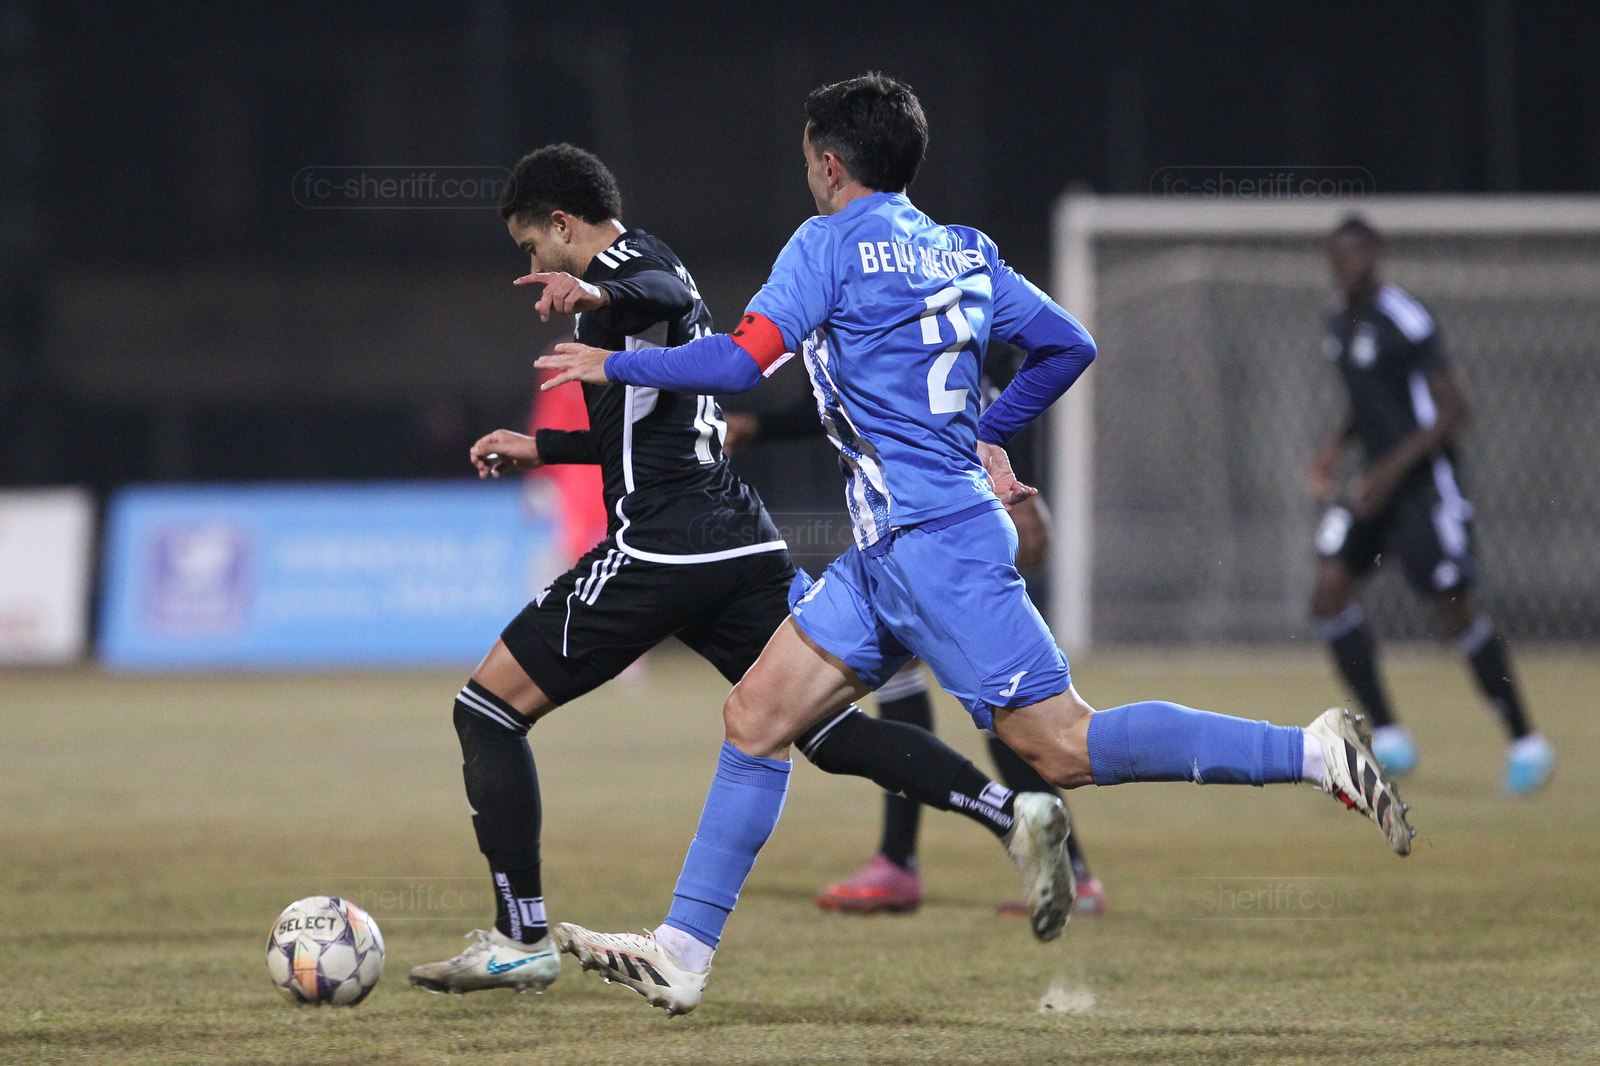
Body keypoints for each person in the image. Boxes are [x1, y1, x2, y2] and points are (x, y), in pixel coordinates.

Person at [536, 74, 1415, 1017]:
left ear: (829, 166)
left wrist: (615, 360)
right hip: (893, 550)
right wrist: (990, 432)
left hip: (936, 546)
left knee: (1061, 746)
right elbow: (1068, 344)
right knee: (756, 717)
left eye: (807, 161)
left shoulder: (825, 244)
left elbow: (740, 363)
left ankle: (1311, 751)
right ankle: (682, 951)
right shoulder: (962, 248)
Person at [409, 143, 1076, 996]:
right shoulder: (648, 265)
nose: (536, 267)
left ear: (563, 224)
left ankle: (522, 938)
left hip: (663, 545)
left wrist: (599, 295)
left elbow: (652, 291)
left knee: (486, 710)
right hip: (738, 541)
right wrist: (543, 446)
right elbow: (650, 431)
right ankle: (1010, 813)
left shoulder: (626, 273)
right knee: (822, 726)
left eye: (532, 247)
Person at [726, 392, 1106, 917]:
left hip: (946, 519)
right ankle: (900, 860)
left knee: (1009, 707)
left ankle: (1065, 869)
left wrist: (1014, 481)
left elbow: (990, 383)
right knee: (931, 682)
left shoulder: (928, 349)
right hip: (909, 520)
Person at [1309, 215, 1554, 794]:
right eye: (1338, 257)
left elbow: (1453, 408)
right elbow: (1369, 400)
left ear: (1376, 254)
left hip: (1422, 485)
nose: (1347, 266)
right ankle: (1390, 736)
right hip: (1375, 486)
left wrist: (1390, 469)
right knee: (1328, 594)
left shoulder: (1406, 319)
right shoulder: (1338, 321)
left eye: (1356, 254)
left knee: (1452, 607)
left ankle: (1527, 743)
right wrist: (1334, 449)